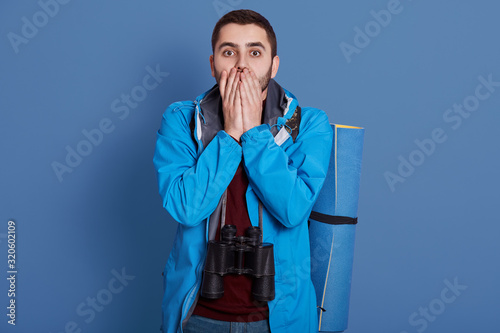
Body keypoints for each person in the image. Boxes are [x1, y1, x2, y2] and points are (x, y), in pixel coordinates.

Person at [154, 9, 333, 333]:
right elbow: (185, 208)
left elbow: (293, 210)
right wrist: (230, 135)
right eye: (228, 52)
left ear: (273, 64)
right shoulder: (180, 119)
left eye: (254, 52)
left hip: (278, 319)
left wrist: (253, 134)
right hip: (197, 314)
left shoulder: (308, 124)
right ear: (213, 64)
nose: (241, 64)